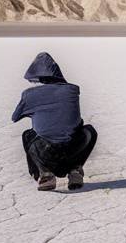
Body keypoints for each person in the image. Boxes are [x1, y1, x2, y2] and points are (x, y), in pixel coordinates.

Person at [12, 52, 98, 191]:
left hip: (46, 151)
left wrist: (35, 110)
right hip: (73, 148)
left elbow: (15, 117)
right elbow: (76, 120)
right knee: (89, 131)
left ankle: (46, 175)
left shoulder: (29, 95)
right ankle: (75, 171)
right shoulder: (72, 90)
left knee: (28, 135)